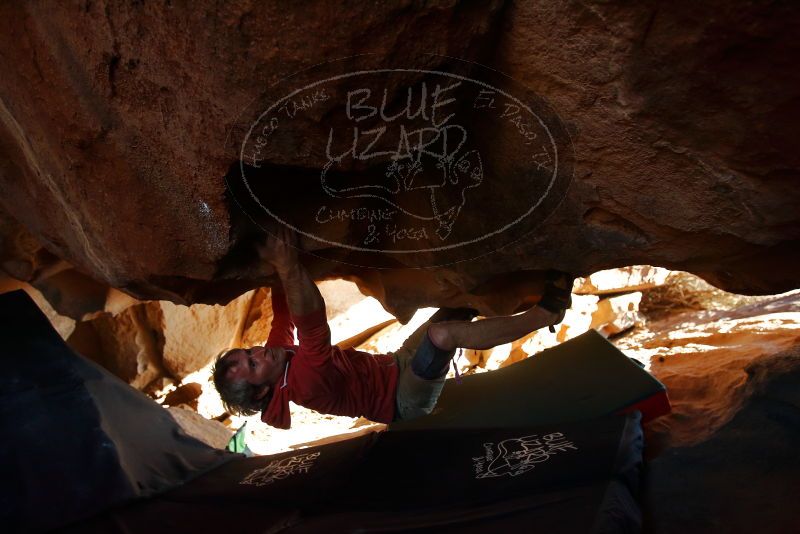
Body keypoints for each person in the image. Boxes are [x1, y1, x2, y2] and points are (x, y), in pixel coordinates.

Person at [212, 228, 573, 429]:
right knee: (442, 336)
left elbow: (285, 316)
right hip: (403, 401)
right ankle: (546, 313)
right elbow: (312, 327)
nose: (258, 352)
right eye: (253, 364)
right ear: (263, 393)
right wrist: (289, 265)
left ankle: (530, 283)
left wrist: (273, 265)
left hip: (396, 364)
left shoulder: (277, 359)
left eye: (249, 352)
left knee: (458, 304)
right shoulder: (304, 384)